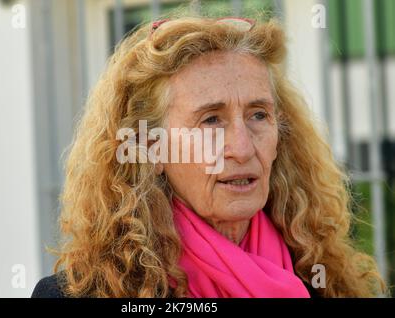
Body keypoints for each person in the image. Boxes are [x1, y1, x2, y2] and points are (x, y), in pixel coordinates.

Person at [32, 14, 387, 298]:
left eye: (258, 115)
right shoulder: (83, 294)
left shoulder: (325, 280)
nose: (243, 148)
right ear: (152, 148)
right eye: (211, 120)